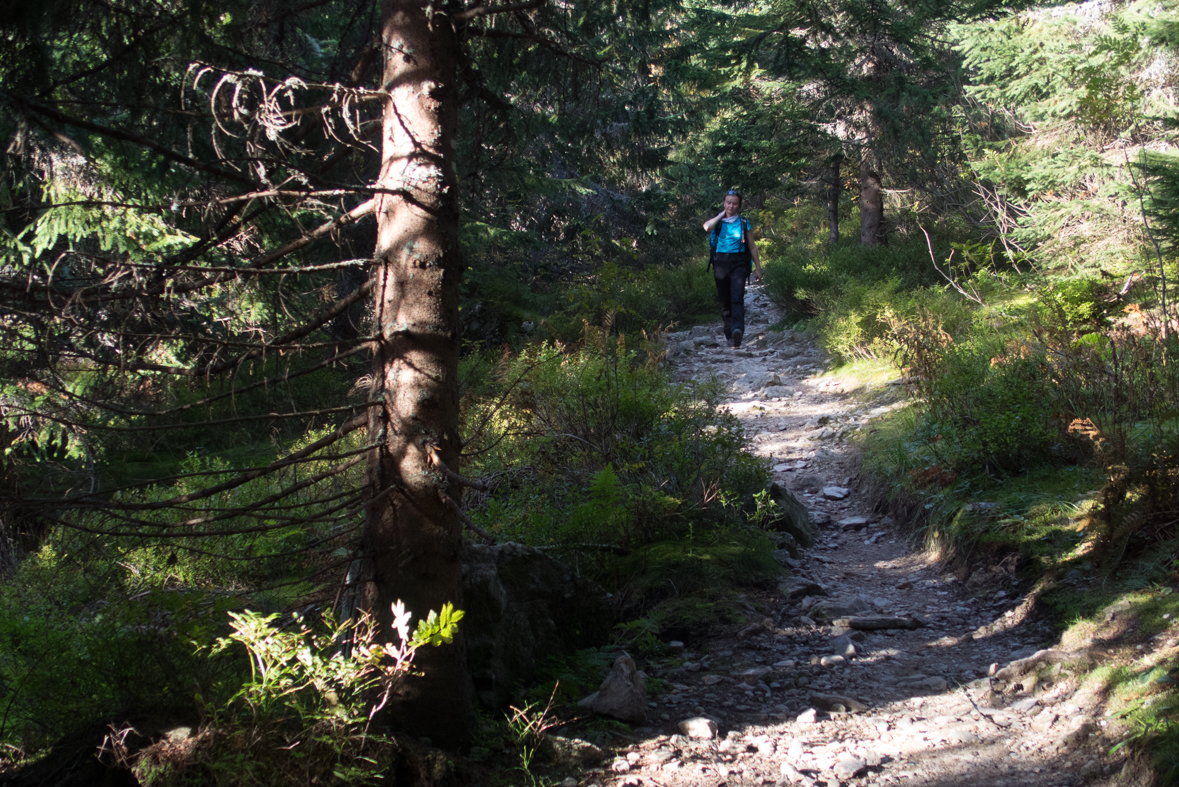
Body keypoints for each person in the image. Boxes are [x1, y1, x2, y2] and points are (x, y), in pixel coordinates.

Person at [703, 190, 763, 348]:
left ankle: (737, 331)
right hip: (720, 262)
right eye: (728, 202)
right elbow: (707, 227)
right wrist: (721, 215)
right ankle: (729, 334)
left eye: (734, 203)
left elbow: (752, 246)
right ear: (724, 203)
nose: (731, 205)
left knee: (737, 297)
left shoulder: (744, 222)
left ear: (739, 205)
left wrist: (758, 268)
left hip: (739, 263)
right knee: (724, 300)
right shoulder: (718, 222)